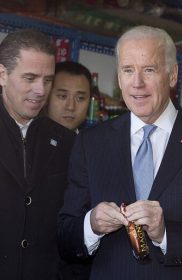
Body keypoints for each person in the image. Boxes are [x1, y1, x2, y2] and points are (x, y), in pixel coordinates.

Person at [57, 25, 182, 279]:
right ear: (119, 78)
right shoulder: (92, 143)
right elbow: (65, 237)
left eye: (149, 70)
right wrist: (92, 225)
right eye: (128, 70)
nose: (137, 83)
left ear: (173, 75)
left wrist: (165, 232)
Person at [0, 29, 76, 279]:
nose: (41, 90)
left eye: (47, 80)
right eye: (30, 78)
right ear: (2, 75)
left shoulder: (66, 141)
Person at [46, 61, 91, 132]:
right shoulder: (29, 138)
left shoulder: (92, 142)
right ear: (46, 97)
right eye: (63, 96)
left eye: (80, 98)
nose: (70, 107)